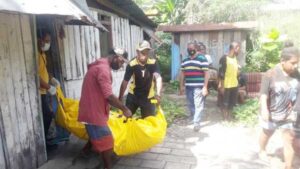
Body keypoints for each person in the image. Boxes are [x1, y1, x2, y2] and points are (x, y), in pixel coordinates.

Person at [78, 48, 132, 169]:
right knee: (107, 144)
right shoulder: (103, 70)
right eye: (121, 62)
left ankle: (85, 153)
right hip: (93, 113)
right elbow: (108, 96)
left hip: (92, 110)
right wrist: (124, 109)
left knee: (98, 138)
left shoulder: (100, 66)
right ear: (117, 57)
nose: (121, 65)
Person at [258, 47, 300, 169]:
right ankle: (262, 149)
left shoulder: (297, 75)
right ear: (283, 60)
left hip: (288, 115)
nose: (296, 66)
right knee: (267, 133)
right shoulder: (270, 74)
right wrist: (265, 109)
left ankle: (288, 166)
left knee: (289, 140)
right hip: (271, 113)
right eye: (293, 63)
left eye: (297, 63)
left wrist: (296, 111)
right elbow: (263, 94)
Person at [119, 40, 162, 118]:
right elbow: (125, 81)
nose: (144, 55)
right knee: (125, 119)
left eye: (146, 52)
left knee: (149, 122)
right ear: (137, 52)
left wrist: (158, 94)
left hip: (149, 97)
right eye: (142, 52)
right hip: (133, 96)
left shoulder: (153, 63)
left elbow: (158, 78)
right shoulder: (132, 64)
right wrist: (120, 98)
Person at [37, 29, 61, 147]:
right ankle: (44, 142)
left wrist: (52, 79)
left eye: (49, 41)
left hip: (44, 90)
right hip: (39, 92)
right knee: (47, 115)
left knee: (49, 114)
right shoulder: (35, 55)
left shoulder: (42, 54)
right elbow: (36, 77)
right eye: (46, 41)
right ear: (38, 39)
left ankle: (47, 138)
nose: (47, 43)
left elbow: (44, 71)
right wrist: (48, 87)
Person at [179, 41, 209, 132]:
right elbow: (182, 74)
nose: (190, 50)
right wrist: (181, 86)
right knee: (190, 104)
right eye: (189, 49)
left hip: (198, 87)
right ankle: (193, 117)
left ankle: (196, 123)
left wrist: (205, 87)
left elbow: (206, 74)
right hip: (188, 87)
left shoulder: (202, 59)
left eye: (192, 49)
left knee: (198, 105)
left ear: (196, 49)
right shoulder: (185, 60)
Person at [218, 42, 240, 120]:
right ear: (234, 48)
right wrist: (221, 86)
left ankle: (229, 117)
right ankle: (225, 118)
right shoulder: (224, 58)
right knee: (225, 103)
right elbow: (221, 73)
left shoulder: (235, 58)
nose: (239, 51)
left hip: (234, 84)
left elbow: (236, 72)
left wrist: (238, 71)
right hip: (226, 85)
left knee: (232, 102)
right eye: (238, 49)